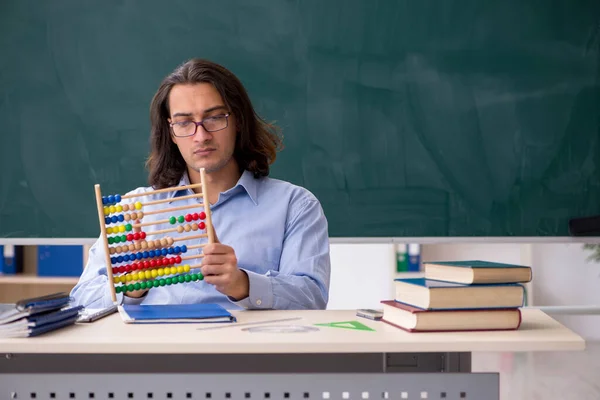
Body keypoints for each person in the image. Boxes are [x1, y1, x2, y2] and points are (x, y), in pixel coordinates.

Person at [70, 58, 331, 310]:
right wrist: (130, 288)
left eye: (215, 118)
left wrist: (244, 284)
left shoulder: (295, 205)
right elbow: (81, 297)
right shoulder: (135, 209)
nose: (201, 136)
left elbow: (312, 296)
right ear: (171, 132)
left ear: (238, 120)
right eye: (184, 123)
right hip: (156, 351)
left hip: (244, 352)